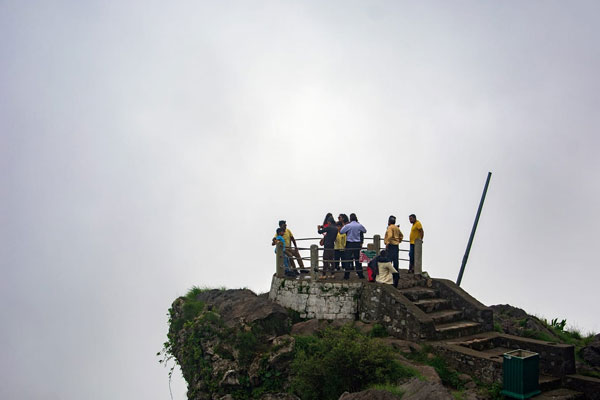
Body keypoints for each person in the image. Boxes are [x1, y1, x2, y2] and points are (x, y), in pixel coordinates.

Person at [340, 213, 366, 279]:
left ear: (350, 218)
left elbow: (341, 231)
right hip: (357, 244)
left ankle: (347, 275)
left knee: (348, 259)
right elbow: (364, 230)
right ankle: (360, 274)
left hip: (349, 244)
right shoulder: (359, 225)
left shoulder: (348, 225)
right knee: (358, 260)